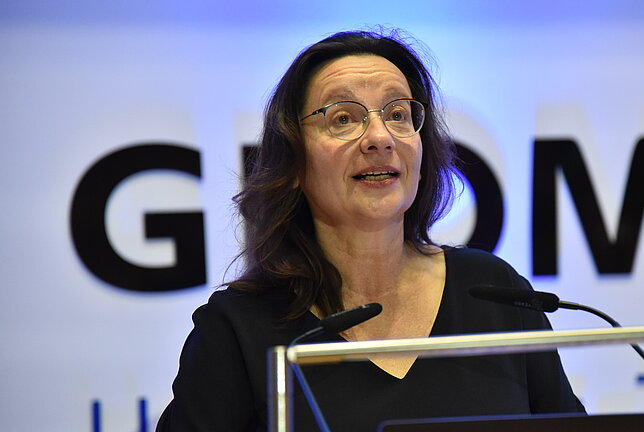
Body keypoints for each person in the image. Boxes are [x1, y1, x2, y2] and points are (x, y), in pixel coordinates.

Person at [156, 29, 584, 432]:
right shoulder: (238, 328)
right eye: (343, 118)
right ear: (292, 166)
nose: (380, 137)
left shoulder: (496, 292)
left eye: (398, 114)